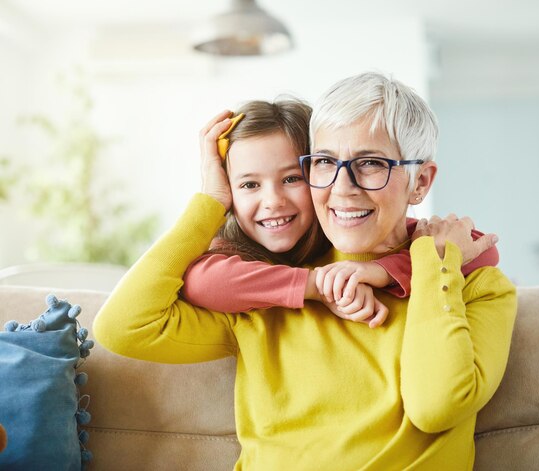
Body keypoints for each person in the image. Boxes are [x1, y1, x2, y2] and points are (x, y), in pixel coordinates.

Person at [94, 72, 516, 470]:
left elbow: (436, 404)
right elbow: (123, 327)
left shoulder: (474, 286)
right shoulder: (269, 288)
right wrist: (210, 201)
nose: (343, 187)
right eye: (325, 163)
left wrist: (432, 263)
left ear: (420, 182)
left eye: (370, 163)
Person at [182, 101, 499, 324]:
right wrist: (320, 286)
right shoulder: (235, 253)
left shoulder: (351, 232)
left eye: (292, 178)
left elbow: (480, 247)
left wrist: (381, 271)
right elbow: (202, 283)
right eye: (249, 185)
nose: (273, 201)